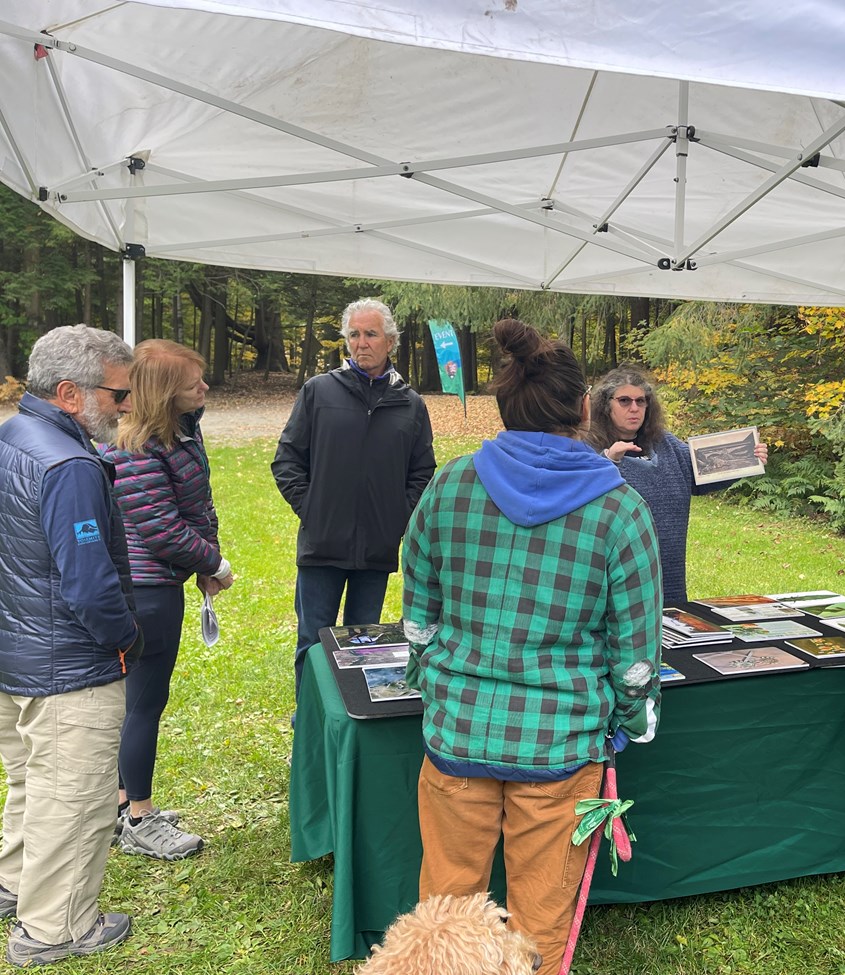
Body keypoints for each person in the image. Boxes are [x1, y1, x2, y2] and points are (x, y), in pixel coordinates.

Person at [403, 319, 663, 975]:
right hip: (561, 746)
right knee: (540, 924)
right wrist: (634, 718)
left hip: (457, 734)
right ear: (585, 409)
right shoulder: (620, 512)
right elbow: (634, 653)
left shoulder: (450, 486)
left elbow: (419, 615)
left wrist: (429, 677)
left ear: (504, 404)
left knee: (446, 914)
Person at [0, 324, 142, 965]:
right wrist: (126, 638)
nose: (126, 406)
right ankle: (55, 928)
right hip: (66, 666)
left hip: (18, 654)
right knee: (75, 796)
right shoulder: (71, 465)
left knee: (32, 780)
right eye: (117, 394)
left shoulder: (11, 438)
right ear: (68, 393)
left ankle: (13, 885)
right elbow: (89, 583)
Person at [101, 339, 232, 860]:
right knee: (143, 703)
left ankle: (118, 802)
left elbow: (194, 506)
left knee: (140, 701)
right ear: (163, 392)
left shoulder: (178, 433)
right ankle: (140, 818)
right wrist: (213, 564)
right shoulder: (134, 448)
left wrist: (203, 559)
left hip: (162, 583)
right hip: (146, 590)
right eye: (194, 381)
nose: (204, 386)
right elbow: (160, 528)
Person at [272, 299, 436, 700]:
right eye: (354, 335)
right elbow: (287, 460)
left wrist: (395, 517)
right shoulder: (319, 392)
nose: (361, 344)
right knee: (313, 642)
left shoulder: (409, 404)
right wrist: (313, 509)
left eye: (371, 334)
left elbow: (422, 471)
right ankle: (308, 718)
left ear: (391, 341)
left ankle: (352, 716)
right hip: (322, 546)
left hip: (376, 550)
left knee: (363, 644)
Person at [586, 365, 767, 606]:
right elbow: (581, 488)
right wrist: (610, 459)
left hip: (668, 571)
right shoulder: (588, 447)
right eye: (624, 401)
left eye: (641, 401)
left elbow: (699, 475)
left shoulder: (664, 444)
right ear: (606, 404)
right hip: (615, 574)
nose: (634, 408)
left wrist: (747, 458)